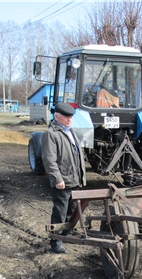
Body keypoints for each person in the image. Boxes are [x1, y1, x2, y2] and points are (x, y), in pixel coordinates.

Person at [41, 102, 86, 254]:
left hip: (74, 179)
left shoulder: (70, 131)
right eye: (66, 117)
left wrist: (81, 177)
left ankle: (65, 235)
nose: (69, 119)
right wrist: (57, 179)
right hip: (62, 181)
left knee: (72, 210)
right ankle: (56, 242)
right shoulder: (51, 134)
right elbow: (49, 160)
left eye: (71, 117)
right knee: (60, 212)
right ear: (57, 116)